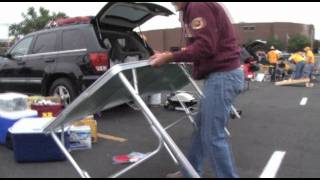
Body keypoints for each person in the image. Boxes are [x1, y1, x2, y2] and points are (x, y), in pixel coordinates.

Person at [149, 2, 244, 178]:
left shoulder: (198, 6)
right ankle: (190, 172)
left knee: (212, 136)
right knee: (202, 131)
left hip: (222, 77)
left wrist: (170, 57)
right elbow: (203, 43)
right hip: (222, 76)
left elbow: (207, 46)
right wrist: (167, 54)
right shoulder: (195, 7)